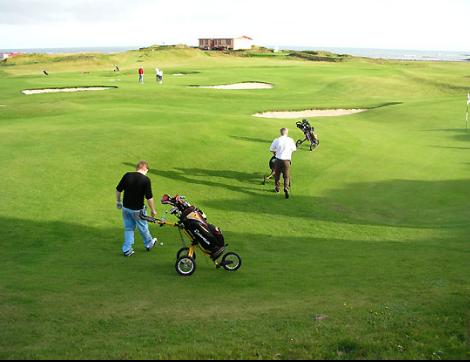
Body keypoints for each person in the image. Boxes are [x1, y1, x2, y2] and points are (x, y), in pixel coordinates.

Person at [116, 161, 158, 257]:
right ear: (145, 169)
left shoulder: (127, 175)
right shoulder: (146, 180)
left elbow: (118, 190)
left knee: (128, 228)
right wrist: (153, 210)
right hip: (138, 210)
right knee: (143, 227)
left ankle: (127, 249)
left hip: (126, 208)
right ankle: (148, 243)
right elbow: (149, 197)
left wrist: (118, 202)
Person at [270, 128, 297, 199]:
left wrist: (275, 153)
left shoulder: (277, 140)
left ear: (280, 133)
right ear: (287, 133)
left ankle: (277, 188)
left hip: (278, 160)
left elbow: (271, 149)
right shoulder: (290, 140)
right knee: (286, 176)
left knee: (277, 175)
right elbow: (294, 149)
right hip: (287, 161)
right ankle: (286, 188)